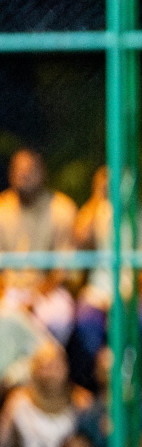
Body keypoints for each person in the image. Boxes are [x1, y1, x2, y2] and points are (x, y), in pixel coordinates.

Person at [73, 164, 142, 360]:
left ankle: (128, 369)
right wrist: (97, 197)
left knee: (140, 319)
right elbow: (80, 240)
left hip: (137, 293)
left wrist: (123, 299)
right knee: (85, 320)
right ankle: (105, 372)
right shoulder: (98, 213)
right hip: (98, 293)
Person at [0, 148, 78, 346]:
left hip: (48, 292)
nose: (23, 175)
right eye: (18, 170)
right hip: (8, 290)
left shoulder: (62, 209)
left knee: (56, 317)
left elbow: (65, 271)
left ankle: (52, 370)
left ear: (42, 173)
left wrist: (34, 298)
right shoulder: (2, 208)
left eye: (29, 170)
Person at [0, 342, 91, 447]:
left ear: (66, 368)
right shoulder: (18, 402)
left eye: (56, 366)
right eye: (45, 366)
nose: (51, 373)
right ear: (34, 369)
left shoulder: (81, 401)